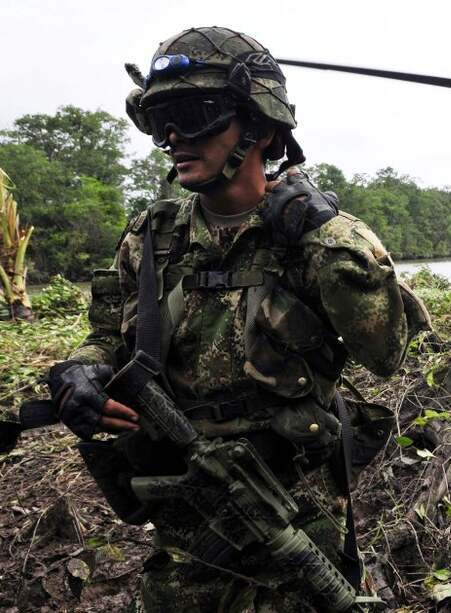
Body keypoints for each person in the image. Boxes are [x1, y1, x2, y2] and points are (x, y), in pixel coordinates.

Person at [45, 27, 428, 611]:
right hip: (188, 513)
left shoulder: (321, 238)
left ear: (260, 128)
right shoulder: (151, 237)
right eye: (159, 120)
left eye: (195, 116)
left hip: (294, 510)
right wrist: (81, 372)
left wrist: (327, 239)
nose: (174, 138)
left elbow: (386, 355)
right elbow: (105, 336)